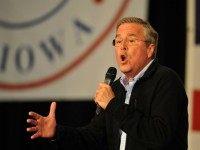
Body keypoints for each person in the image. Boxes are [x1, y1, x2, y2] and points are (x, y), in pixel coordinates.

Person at [27, 17, 188, 150]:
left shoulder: (166, 80)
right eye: (118, 41)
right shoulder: (116, 89)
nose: (122, 47)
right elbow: (93, 138)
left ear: (150, 49)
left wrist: (112, 105)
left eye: (131, 40)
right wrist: (57, 132)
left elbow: (160, 136)